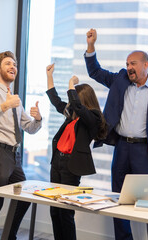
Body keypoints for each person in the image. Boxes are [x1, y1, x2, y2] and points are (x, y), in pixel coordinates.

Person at [84, 29, 148, 240]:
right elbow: (95, 71)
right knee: (119, 202)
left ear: (145, 65)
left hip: (146, 152)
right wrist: (91, 46)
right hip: (122, 148)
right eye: (127, 64)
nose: (129, 67)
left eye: (133, 64)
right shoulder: (120, 80)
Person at [0, 51, 42, 239]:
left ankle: (8, 236)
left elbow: (29, 127)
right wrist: (4, 106)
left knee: (23, 199)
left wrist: (37, 119)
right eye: (7, 64)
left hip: (14, 156)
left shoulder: (14, 98)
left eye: (14, 64)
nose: (13, 67)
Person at [45, 63, 107, 240]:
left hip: (71, 166)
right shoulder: (73, 113)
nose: (72, 104)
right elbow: (56, 101)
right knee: (54, 210)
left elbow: (80, 108)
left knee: (66, 211)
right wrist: (49, 76)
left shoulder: (92, 117)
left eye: (75, 100)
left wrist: (71, 83)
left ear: (82, 99)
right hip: (57, 161)